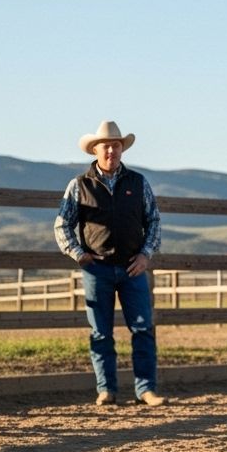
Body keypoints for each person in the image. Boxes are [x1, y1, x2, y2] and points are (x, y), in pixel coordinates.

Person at [54, 120, 166, 407]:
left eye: (116, 146)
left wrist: (145, 254)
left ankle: (146, 390)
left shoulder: (138, 182)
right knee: (101, 332)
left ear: (121, 149)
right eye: (106, 146)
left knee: (142, 329)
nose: (111, 151)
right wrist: (78, 253)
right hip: (97, 268)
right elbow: (62, 224)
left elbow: (153, 220)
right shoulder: (79, 185)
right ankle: (106, 390)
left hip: (132, 267)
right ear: (95, 149)